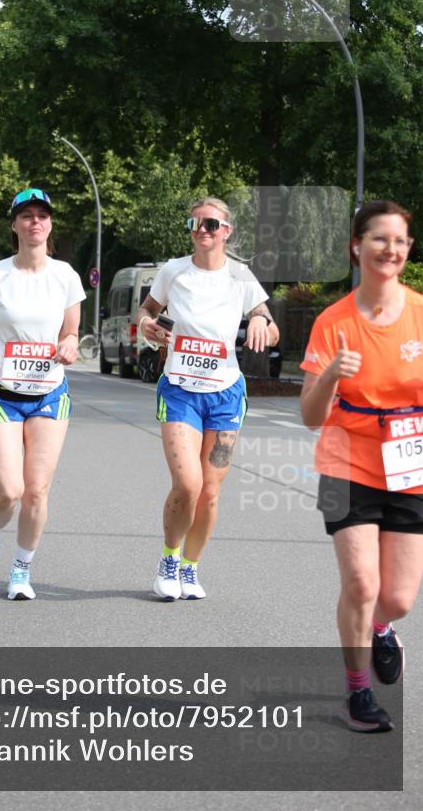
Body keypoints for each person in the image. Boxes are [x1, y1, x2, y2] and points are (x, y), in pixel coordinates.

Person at [300, 199, 423, 733]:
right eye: (379, 239)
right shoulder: (333, 322)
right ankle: (357, 693)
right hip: (343, 461)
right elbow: (310, 416)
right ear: (357, 246)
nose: (390, 249)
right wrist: (331, 373)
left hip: (410, 464)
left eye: (399, 241)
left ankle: (381, 628)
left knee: (396, 597)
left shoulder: (420, 314)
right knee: (360, 581)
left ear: (408, 249)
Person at [137, 197, 279, 601]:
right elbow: (146, 310)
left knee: (210, 491)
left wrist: (259, 320)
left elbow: (271, 329)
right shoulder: (174, 271)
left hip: (225, 395)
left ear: (226, 231)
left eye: (211, 224)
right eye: (195, 223)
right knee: (188, 483)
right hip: (180, 390)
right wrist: (146, 325)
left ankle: (190, 566)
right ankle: (169, 558)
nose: (202, 229)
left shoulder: (241, 277)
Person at [0, 188, 85, 600]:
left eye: (42, 215)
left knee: (36, 491)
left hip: (49, 395)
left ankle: (21, 570)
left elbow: (71, 332)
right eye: (27, 215)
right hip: (1, 395)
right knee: (9, 490)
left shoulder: (66, 276)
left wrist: (69, 344)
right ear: (15, 225)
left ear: (50, 225)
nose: (35, 222)